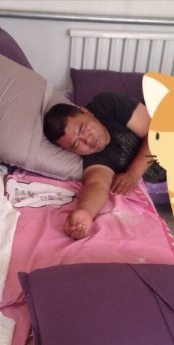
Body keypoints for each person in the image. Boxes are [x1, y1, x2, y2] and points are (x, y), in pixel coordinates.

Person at [43, 91, 165, 240]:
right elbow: (97, 185)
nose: (88, 140)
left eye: (83, 129)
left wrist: (133, 173)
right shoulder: (94, 160)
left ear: (86, 112)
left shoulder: (107, 105)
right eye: (76, 144)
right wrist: (85, 212)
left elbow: (157, 133)